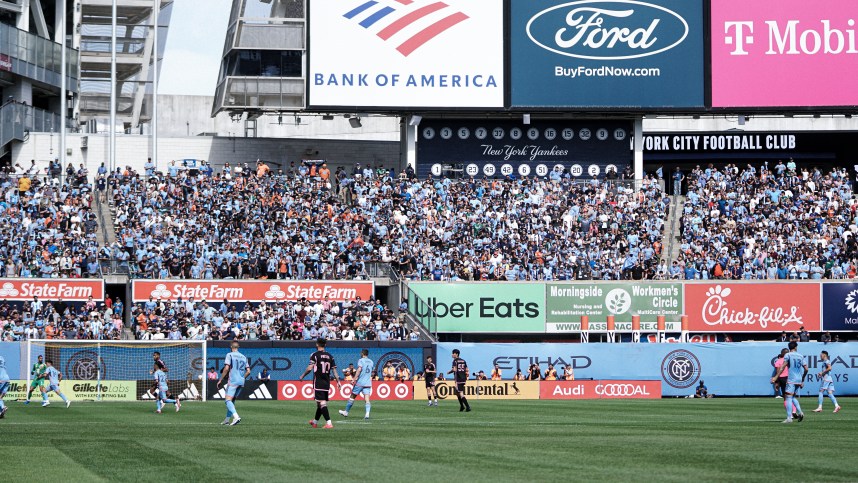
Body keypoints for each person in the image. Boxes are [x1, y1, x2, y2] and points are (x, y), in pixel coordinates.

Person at [301, 338, 340, 429]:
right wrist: (338, 382)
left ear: (317, 344)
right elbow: (334, 370)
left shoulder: (314, 355)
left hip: (318, 382)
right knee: (319, 403)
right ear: (325, 345)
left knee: (322, 403)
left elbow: (310, 368)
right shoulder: (330, 356)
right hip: (327, 382)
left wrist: (302, 375)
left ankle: (329, 423)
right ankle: (315, 422)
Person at [771, 341, 807, 423]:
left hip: (791, 379)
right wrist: (802, 379)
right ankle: (800, 412)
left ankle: (789, 418)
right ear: (795, 347)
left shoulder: (788, 355)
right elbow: (806, 369)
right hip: (798, 379)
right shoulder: (800, 356)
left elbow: (783, 366)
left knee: (788, 397)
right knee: (792, 397)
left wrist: (776, 377)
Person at [218, 341, 249, 425]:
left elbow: (226, 368)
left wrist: (221, 379)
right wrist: (242, 378)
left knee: (227, 400)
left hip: (233, 381)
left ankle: (236, 417)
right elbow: (248, 371)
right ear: (238, 347)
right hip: (241, 381)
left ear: (231, 347)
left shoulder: (230, 355)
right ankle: (227, 419)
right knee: (232, 400)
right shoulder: (244, 357)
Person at [339, 349, 373, 420]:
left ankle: (346, 412)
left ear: (362, 353)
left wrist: (354, 379)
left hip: (360, 382)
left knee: (352, 396)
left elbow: (359, 370)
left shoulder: (361, 360)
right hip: (368, 383)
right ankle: (367, 414)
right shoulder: (371, 361)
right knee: (367, 399)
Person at [0, 354, 9, 418]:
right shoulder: (2, 357)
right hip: (7, 379)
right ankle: (1, 412)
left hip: (1, 378)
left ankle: (3, 407)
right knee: (0, 398)